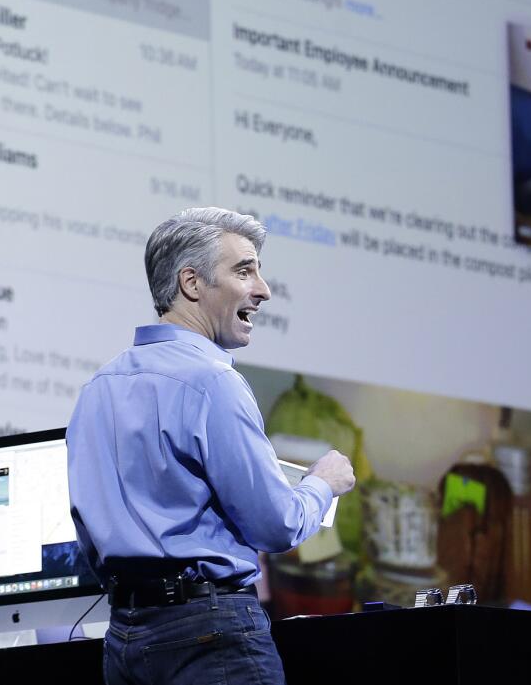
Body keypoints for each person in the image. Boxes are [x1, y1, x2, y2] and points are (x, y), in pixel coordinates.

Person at [67, 207, 355, 685]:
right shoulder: (213, 381)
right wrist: (321, 485)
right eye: (245, 270)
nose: (263, 289)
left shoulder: (98, 387)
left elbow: (89, 536)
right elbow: (276, 525)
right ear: (192, 283)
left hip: (124, 642)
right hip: (210, 634)